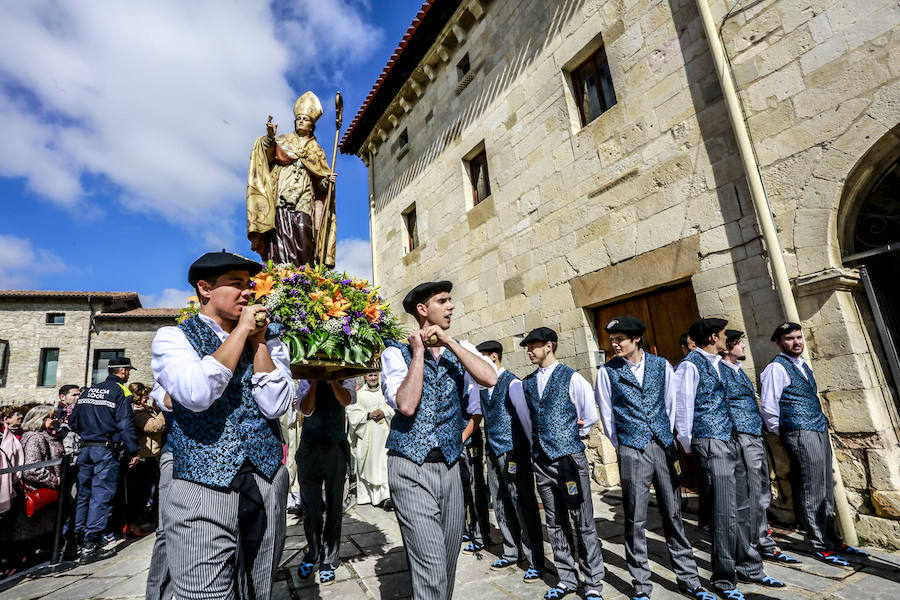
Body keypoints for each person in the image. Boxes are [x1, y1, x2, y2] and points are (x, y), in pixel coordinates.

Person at [151, 251, 294, 600]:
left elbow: (276, 405)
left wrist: (258, 342)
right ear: (205, 288)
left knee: (260, 586)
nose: (247, 293)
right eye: (236, 285)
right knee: (204, 592)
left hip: (264, 478)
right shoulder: (174, 338)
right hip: (202, 482)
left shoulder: (271, 341)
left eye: (249, 286)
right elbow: (198, 393)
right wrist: (243, 330)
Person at [380, 280, 497, 600]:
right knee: (430, 563)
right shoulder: (395, 353)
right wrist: (418, 353)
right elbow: (406, 404)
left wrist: (450, 344)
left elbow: (490, 378)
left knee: (446, 562)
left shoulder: (462, 348)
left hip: (450, 465)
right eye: (443, 301)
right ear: (422, 310)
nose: (451, 306)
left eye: (450, 300)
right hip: (410, 467)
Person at [594, 317, 707, 599]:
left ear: (635, 339)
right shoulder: (607, 372)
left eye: (620, 339)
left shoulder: (662, 365)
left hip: (662, 445)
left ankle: (689, 578)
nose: (614, 344)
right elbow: (607, 416)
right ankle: (641, 583)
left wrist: (663, 436)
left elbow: (671, 404)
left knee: (673, 512)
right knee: (635, 517)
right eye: (612, 339)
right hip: (632, 448)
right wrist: (624, 446)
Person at [674, 318, 784, 599]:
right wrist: (693, 446)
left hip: (730, 439)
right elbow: (683, 409)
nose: (726, 338)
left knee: (743, 505)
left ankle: (749, 566)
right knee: (724, 510)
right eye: (723, 334)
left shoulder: (720, 366)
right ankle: (724, 578)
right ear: (713, 337)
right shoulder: (689, 366)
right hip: (710, 440)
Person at [760, 322, 868, 566]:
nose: (796, 342)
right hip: (799, 431)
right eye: (789, 338)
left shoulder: (803, 367)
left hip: (817, 428)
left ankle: (832, 538)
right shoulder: (776, 368)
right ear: (779, 342)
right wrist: (785, 431)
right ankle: (820, 544)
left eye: (799, 337)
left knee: (824, 485)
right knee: (811, 487)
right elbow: (768, 407)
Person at [513, 327, 605, 600]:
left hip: (568, 460)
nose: (529, 351)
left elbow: (589, 414)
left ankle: (593, 583)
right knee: (554, 521)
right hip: (541, 460)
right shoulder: (526, 383)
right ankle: (566, 578)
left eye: (534, 346)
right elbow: (529, 422)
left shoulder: (572, 378)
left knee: (582, 520)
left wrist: (569, 435)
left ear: (549, 346)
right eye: (527, 347)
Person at [719, 330, 800, 565]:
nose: (743, 346)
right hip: (741, 436)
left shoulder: (738, 370)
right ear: (727, 348)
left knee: (761, 488)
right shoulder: (721, 371)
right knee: (753, 491)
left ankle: (760, 538)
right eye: (738, 343)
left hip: (754, 434)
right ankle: (758, 541)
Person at [472, 340, 544, 583]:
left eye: (480, 357)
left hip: (513, 452)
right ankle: (511, 550)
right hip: (493, 452)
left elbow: (525, 419)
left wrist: (531, 451)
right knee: (500, 500)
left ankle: (535, 558)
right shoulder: (483, 387)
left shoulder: (512, 383)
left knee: (521, 503)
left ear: (493, 357)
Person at [247, 91, 337, 267]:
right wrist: (270, 139)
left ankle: (303, 276)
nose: (301, 121)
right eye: (299, 118)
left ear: (312, 125)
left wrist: (326, 182)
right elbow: (267, 155)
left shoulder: (317, 150)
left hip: (304, 198)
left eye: (305, 119)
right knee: (279, 237)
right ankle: (281, 275)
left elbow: (320, 182)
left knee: (303, 233)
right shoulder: (283, 140)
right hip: (281, 194)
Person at [69, 357, 140, 564]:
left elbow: (73, 421)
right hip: (106, 450)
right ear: (124, 372)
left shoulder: (88, 391)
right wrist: (133, 451)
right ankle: (92, 544)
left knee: (83, 494)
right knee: (101, 496)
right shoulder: (122, 392)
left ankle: (78, 539)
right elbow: (125, 424)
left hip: (85, 449)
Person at [294, 378, 356, 586]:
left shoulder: (346, 376)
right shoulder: (306, 378)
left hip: (335, 447)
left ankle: (329, 557)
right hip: (310, 447)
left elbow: (346, 400)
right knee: (310, 507)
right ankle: (313, 551)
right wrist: (315, 382)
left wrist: (332, 380)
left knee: (334, 505)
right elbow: (306, 408)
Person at [346, 372, 394, 509]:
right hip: (366, 436)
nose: (373, 378)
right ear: (364, 377)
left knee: (384, 464)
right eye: (370, 375)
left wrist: (384, 412)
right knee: (368, 464)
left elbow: (395, 406)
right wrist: (367, 415)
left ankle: (386, 497)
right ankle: (369, 496)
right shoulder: (359, 394)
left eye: (375, 375)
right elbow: (351, 411)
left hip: (384, 436)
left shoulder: (386, 392)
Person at [146, 384, 174, 600]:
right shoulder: (174, 359)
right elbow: (167, 401)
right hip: (177, 453)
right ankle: (158, 595)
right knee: (167, 530)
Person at [126, 382, 165, 538]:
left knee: (150, 491)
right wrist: (163, 411)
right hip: (142, 457)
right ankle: (132, 525)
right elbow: (153, 427)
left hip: (150, 456)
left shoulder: (145, 410)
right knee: (139, 494)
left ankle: (146, 519)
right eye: (144, 397)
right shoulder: (137, 412)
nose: (147, 399)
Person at [459, 387, 490, 555]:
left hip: (470, 439)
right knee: (460, 487)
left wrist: (463, 437)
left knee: (475, 486)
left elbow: (477, 415)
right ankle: (465, 529)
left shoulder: (470, 382)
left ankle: (480, 534)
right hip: (454, 441)